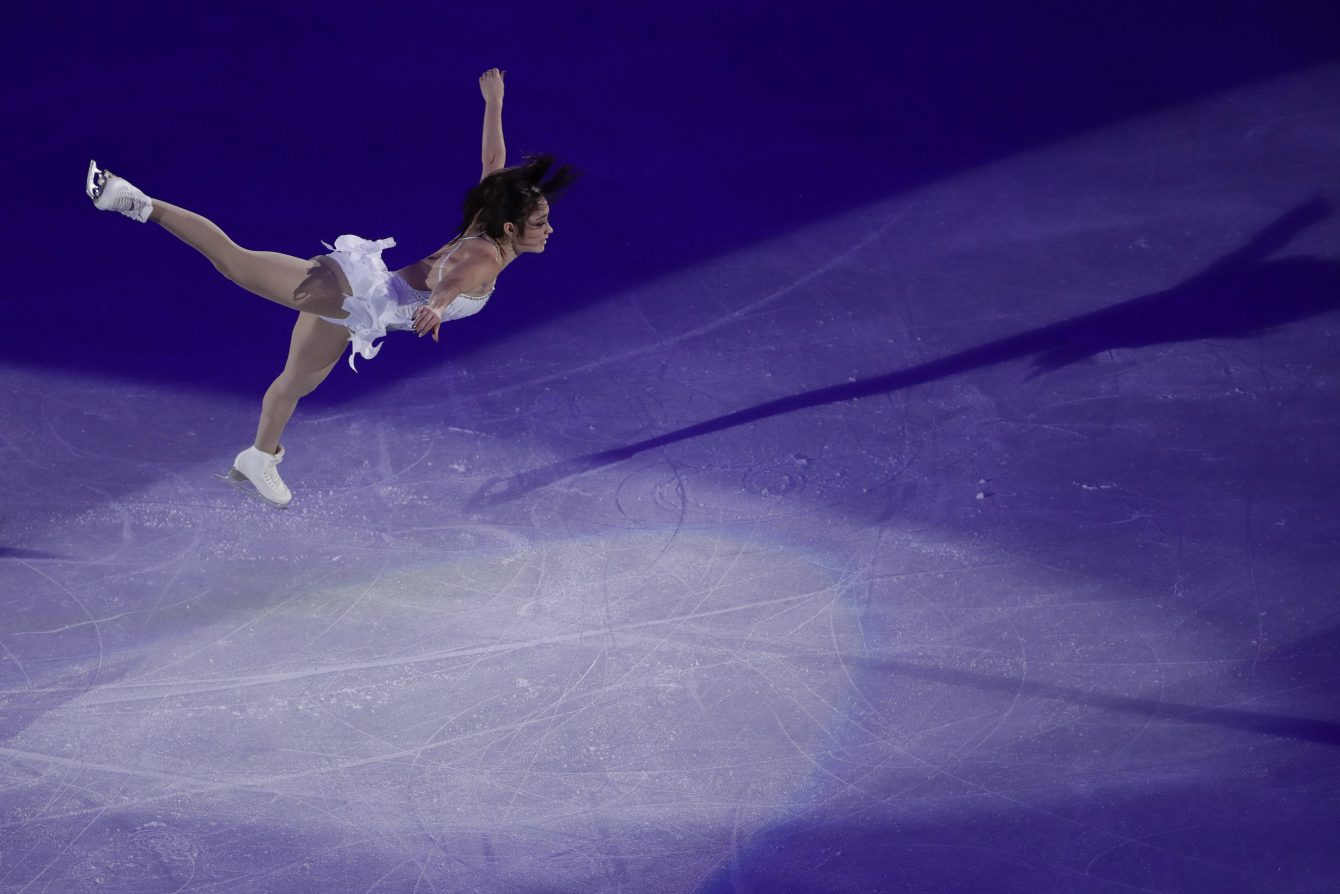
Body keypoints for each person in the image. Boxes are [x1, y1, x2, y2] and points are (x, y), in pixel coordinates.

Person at [84, 68, 577, 509]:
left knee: (295, 384)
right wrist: (438, 308)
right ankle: (136, 201)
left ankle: (259, 458)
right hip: (351, 292)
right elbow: (451, 281)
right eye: (540, 222)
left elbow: (494, 162)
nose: (549, 229)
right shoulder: (484, 258)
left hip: (352, 314)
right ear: (511, 230)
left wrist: (494, 102)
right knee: (237, 263)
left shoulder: (488, 215)